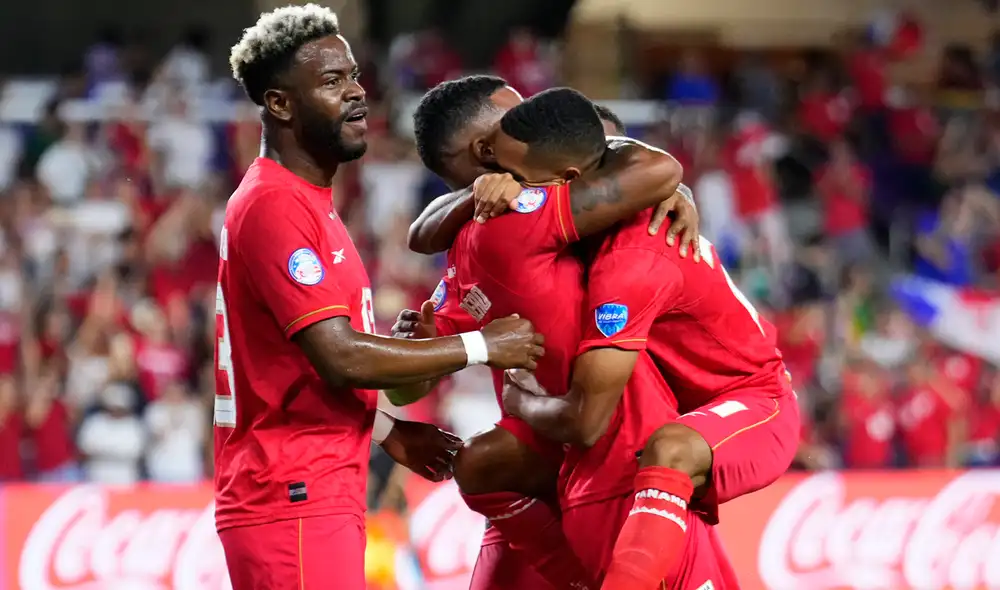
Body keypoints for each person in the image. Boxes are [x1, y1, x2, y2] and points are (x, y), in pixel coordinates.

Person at [216, 8, 545, 590]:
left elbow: (299, 371)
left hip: (312, 489)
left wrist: (390, 432)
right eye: (331, 81)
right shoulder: (274, 204)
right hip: (290, 494)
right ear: (280, 104)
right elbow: (338, 356)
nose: (356, 93)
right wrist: (480, 346)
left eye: (354, 76)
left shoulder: (307, 202)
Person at [396, 78, 700, 590]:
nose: (532, 119)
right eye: (516, 115)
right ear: (487, 149)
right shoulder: (491, 234)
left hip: (627, 447)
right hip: (557, 466)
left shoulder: (550, 201)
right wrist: (431, 346)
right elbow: (407, 386)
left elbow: (650, 166)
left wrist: (677, 192)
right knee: (483, 468)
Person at [496, 90, 799, 590]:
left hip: (753, 402)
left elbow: (586, 421)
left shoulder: (631, 259)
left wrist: (520, 403)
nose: (512, 190)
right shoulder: (585, 231)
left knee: (671, 448)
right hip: (679, 421)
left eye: (519, 179)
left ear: (569, 181)